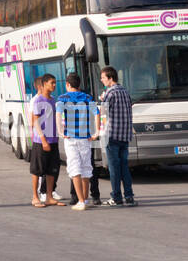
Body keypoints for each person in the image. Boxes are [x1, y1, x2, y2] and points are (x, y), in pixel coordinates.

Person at [55, 73, 100, 211]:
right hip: (85, 138)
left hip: (71, 138)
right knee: (87, 168)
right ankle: (85, 199)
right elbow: (97, 114)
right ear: (79, 84)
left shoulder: (63, 98)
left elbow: (58, 115)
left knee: (75, 169)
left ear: (68, 84)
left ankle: (80, 201)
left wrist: (60, 131)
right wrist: (97, 132)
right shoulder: (87, 98)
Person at [99, 66, 136, 206]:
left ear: (110, 78)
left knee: (114, 168)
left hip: (112, 135)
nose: (102, 80)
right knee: (124, 167)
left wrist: (102, 99)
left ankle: (116, 197)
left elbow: (103, 113)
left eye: (103, 78)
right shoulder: (125, 91)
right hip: (125, 135)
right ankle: (129, 196)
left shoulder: (109, 93)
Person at [29, 74, 63, 207]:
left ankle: (49, 196)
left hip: (53, 140)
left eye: (55, 83)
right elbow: (35, 121)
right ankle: (35, 197)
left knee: (51, 170)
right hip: (40, 141)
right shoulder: (38, 100)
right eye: (52, 83)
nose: (54, 85)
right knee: (37, 170)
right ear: (43, 85)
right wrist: (43, 140)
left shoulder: (53, 100)